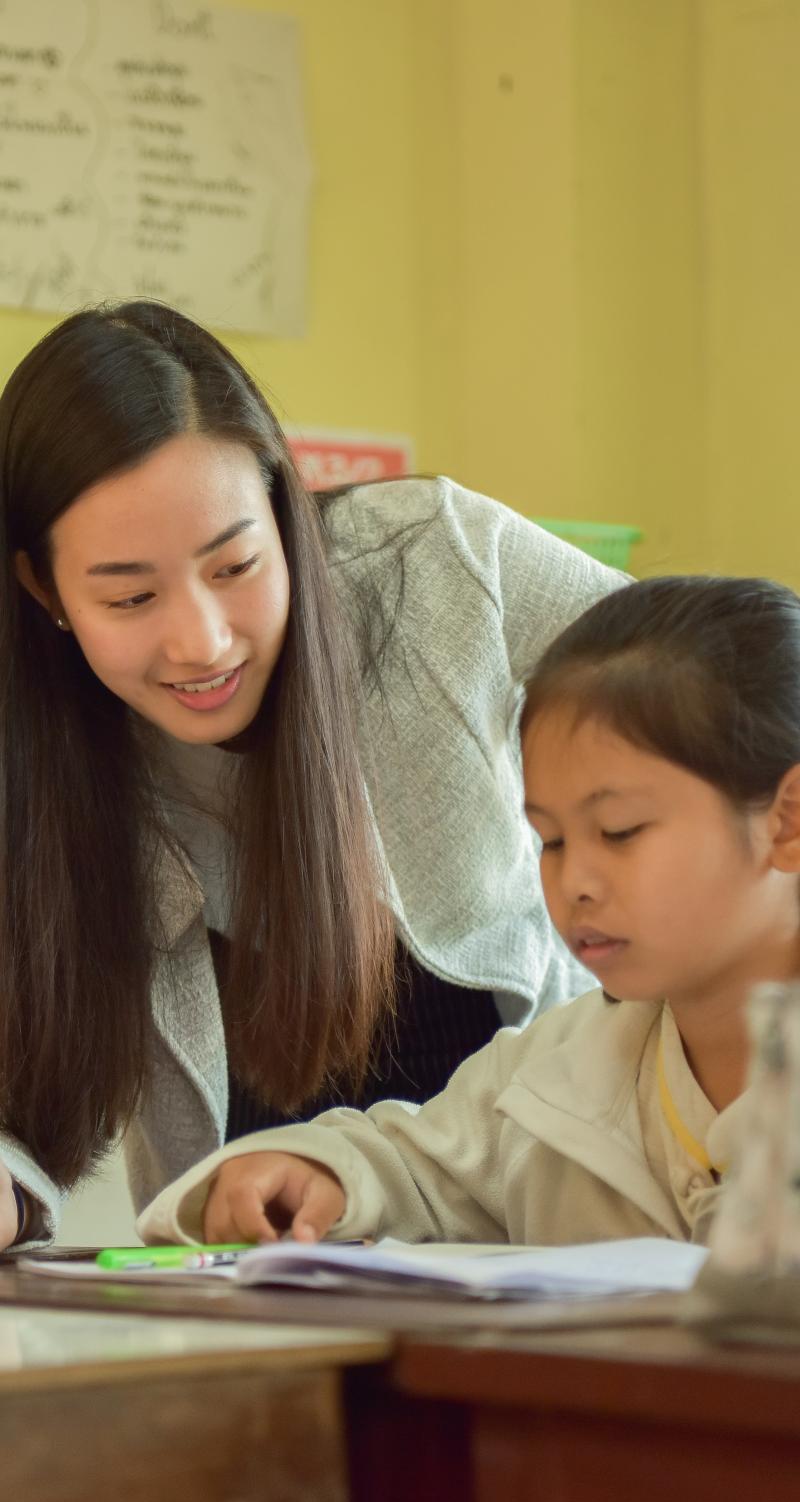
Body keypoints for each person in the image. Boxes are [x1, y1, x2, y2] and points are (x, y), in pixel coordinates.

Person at [0, 300, 625, 1249]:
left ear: (286, 516)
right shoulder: (35, 746)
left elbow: (725, 684)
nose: (201, 641)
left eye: (237, 564)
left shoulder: (429, 563)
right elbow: (26, 1103)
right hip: (254, 1277)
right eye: (130, 596)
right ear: (43, 590)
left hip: (527, 1236)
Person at [138, 575, 800, 1250]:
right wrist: (314, 1174)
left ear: (787, 822)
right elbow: (414, 1164)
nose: (575, 881)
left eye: (621, 831)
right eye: (552, 840)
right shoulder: (555, 1069)